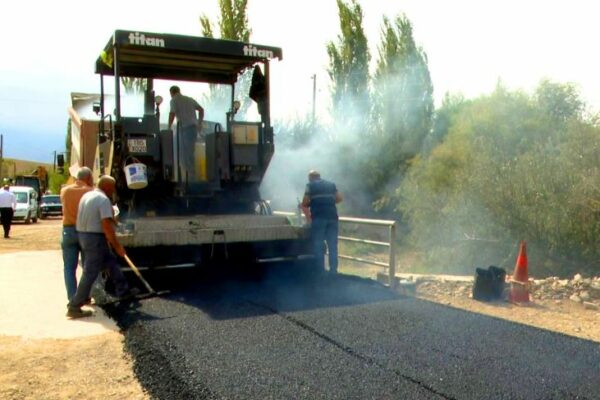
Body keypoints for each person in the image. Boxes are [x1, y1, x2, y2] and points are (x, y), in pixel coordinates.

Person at [66, 175, 136, 319]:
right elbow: (106, 226)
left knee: (110, 262)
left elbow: (104, 220)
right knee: (90, 272)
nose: (114, 190)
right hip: (95, 238)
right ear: (108, 187)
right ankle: (74, 306)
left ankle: (123, 291)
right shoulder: (103, 200)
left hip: (83, 235)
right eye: (113, 187)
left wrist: (116, 225)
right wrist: (117, 246)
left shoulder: (87, 196)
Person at [60, 167, 94, 300]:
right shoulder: (91, 192)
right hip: (86, 232)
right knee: (88, 268)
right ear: (88, 178)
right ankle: (85, 296)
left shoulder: (65, 191)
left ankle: (73, 299)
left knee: (69, 268)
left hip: (68, 231)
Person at [301, 170, 343, 274]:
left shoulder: (310, 185)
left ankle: (321, 271)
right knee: (332, 245)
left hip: (319, 218)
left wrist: (314, 203)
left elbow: (305, 202)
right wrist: (328, 202)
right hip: (333, 217)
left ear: (310, 178)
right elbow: (339, 198)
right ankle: (333, 271)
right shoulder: (331, 184)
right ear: (319, 176)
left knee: (318, 244)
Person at [168, 85, 204, 181]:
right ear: (179, 91)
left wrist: (168, 127)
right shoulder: (189, 99)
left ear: (171, 93)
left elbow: (172, 114)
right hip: (193, 129)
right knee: (190, 153)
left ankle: (189, 179)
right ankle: (189, 177)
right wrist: (199, 123)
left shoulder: (174, 100)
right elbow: (201, 109)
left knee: (183, 154)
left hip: (184, 129)